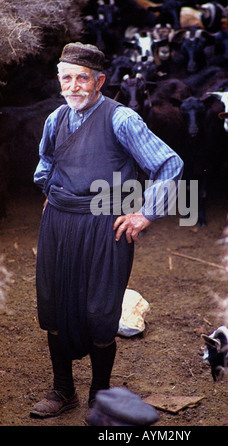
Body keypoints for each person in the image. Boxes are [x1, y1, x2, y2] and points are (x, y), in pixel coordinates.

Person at [30, 42, 184, 421]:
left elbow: (169, 164)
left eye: (82, 78)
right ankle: (63, 390)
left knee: (100, 308)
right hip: (59, 224)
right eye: (66, 78)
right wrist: (51, 192)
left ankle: (100, 394)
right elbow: (46, 162)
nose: (74, 86)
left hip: (105, 222)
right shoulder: (55, 119)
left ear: (99, 81)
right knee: (52, 302)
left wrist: (144, 214)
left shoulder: (121, 119)